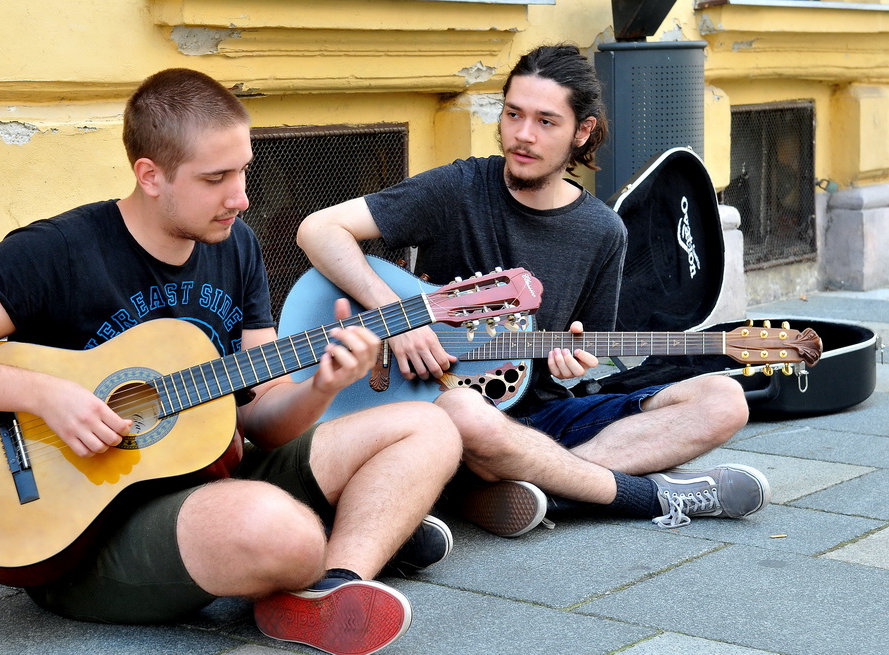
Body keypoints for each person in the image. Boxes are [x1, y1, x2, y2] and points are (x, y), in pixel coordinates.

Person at [0, 68, 464, 655]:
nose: (241, 197)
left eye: (244, 170)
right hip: (84, 536)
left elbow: (263, 421)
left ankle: (334, 585)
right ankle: (341, 539)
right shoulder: (58, 251)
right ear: (150, 175)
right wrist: (44, 395)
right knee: (277, 530)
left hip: (213, 478)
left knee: (432, 425)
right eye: (216, 178)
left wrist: (323, 387)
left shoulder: (238, 245)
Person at [296, 43, 770, 537]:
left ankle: (530, 488)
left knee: (724, 399)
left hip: (536, 417)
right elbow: (319, 230)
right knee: (468, 414)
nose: (522, 135)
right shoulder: (459, 188)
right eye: (513, 114)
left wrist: (573, 357)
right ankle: (628, 492)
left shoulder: (603, 232)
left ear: (581, 131)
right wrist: (398, 318)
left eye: (546, 121)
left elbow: (582, 348)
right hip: (438, 413)